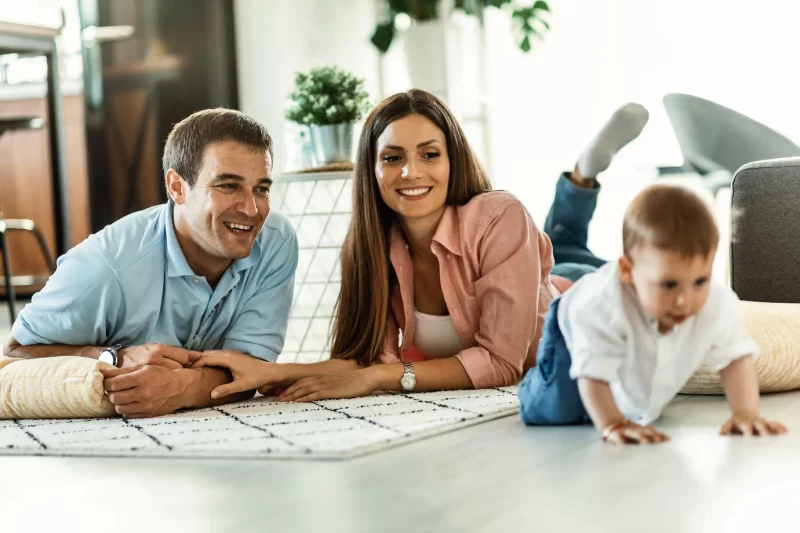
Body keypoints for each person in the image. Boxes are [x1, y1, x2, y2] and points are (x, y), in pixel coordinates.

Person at [194, 90, 650, 403]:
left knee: (589, 254)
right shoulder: (374, 246)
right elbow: (366, 358)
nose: (411, 172)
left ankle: (583, 176)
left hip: (580, 297)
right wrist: (274, 373)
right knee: (560, 240)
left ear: (453, 161)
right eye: (393, 158)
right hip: (539, 272)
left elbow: (502, 364)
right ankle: (583, 175)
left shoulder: (499, 215)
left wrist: (375, 379)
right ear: (371, 171)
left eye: (429, 155)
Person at [2, 108, 298, 418]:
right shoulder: (105, 266)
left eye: (261, 189)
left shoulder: (275, 240)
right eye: (228, 185)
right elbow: (17, 352)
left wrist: (179, 388)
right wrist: (115, 356)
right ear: (176, 187)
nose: (252, 210)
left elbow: (253, 368)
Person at [518, 184, 788, 444]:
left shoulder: (715, 302)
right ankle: (532, 383)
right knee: (558, 408)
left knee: (638, 399)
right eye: (669, 285)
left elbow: (735, 359)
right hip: (572, 331)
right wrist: (613, 424)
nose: (685, 300)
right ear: (627, 271)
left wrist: (745, 413)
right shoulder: (601, 306)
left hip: (631, 331)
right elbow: (593, 373)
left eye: (700, 281)